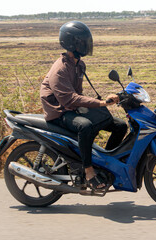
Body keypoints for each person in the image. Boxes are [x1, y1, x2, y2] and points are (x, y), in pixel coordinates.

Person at [40, 21, 127, 190]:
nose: (86, 45)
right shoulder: (60, 69)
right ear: (71, 43)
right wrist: (101, 103)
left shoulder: (79, 64)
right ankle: (88, 171)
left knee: (120, 126)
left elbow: (78, 95)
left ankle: (106, 165)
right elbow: (70, 100)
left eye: (87, 42)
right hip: (59, 113)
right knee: (85, 126)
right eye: (82, 42)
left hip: (71, 108)